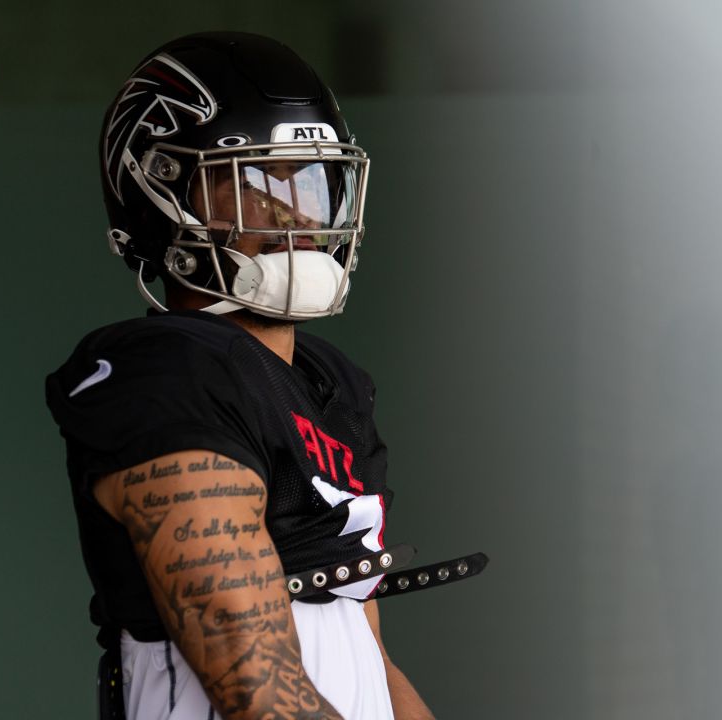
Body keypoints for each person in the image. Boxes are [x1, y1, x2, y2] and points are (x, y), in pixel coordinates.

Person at [45, 32, 468, 720]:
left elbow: (368, 658)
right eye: (254, 181)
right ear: (160, 196)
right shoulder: (169, 374)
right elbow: (260, 692)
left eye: (310, 178)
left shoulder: (330, 383)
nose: (296, 213)